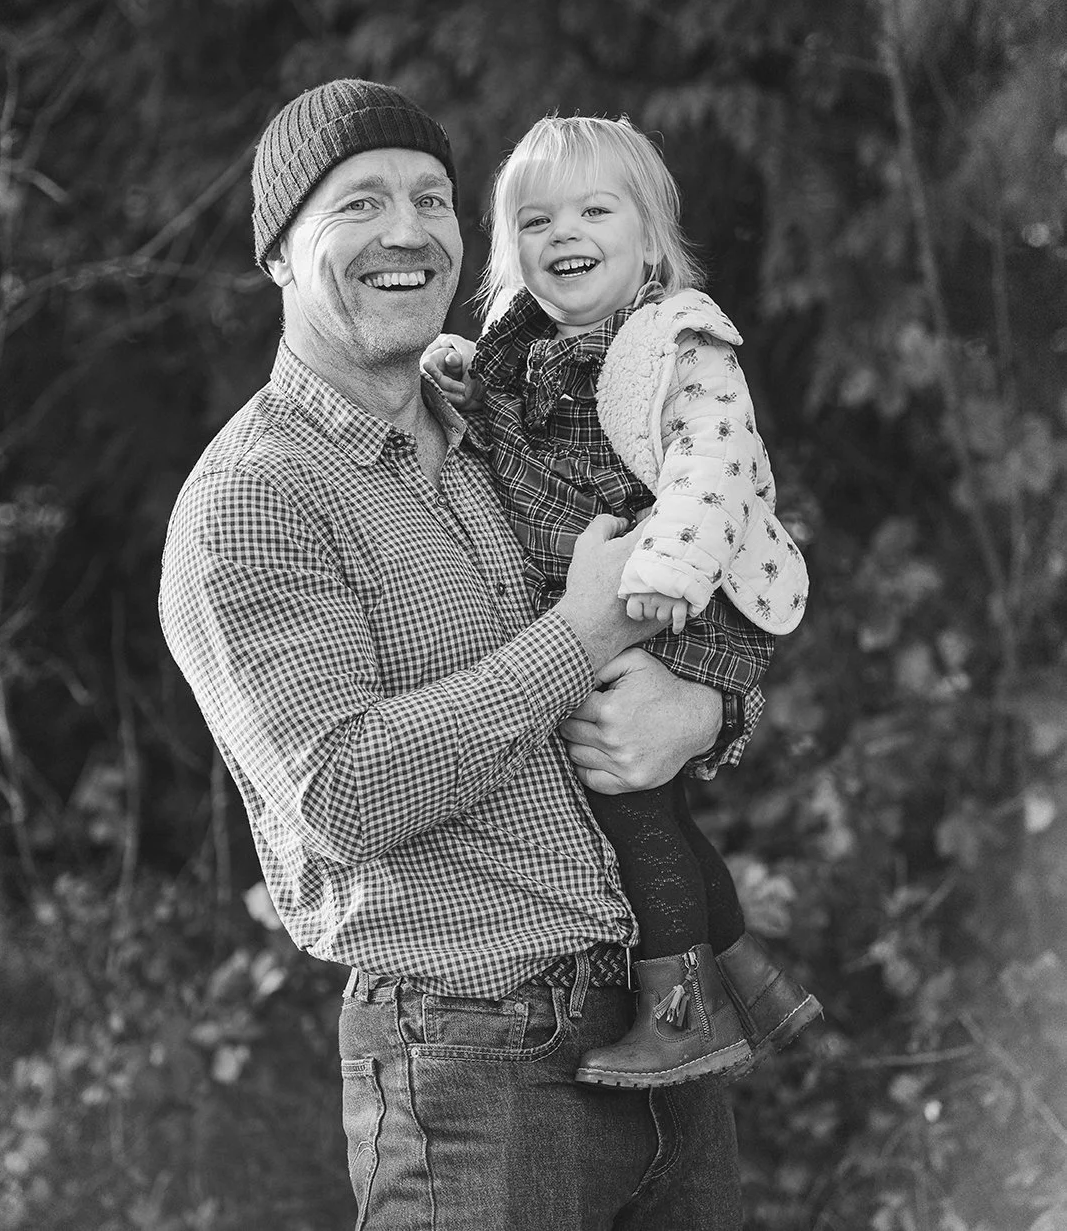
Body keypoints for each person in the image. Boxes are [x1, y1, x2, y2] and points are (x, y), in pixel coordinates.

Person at [159, 79, 749, 1230]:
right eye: (359, 202)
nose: (408, 229)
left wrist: (709, 711)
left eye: (433, 197)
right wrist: (575, 640)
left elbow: (723, 531)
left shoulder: (506, 418)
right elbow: (342, 787)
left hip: (658, 1027)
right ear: (280, 253)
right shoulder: (252, 499)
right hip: (473, 1067)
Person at [422, 113, 820, 1089]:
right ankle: (754, 982)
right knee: (653, 805)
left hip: (680, 596)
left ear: (651, 243)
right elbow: (523, 436)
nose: (565, 234)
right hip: (615, 594)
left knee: (629, 803)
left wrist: (666, 576)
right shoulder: (526, 348)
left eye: (595, 210)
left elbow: (713, 465)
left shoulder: (678, 342)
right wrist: (457, 376)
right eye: (536, 218)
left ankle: (683, 1009)